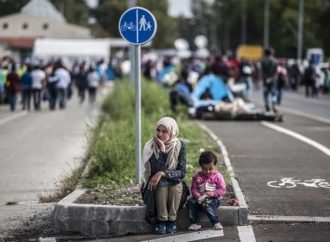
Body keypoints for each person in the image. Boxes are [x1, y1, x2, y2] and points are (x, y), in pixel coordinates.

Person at [142, 117, 186, 234]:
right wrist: (162, 150)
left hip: (173, 184)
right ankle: (161, 220)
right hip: (153, 188)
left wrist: (163, 173)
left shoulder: (180, 146)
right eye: (158, 130)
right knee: (161, 183)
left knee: (175, 184)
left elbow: (181, 173)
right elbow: (154, 172)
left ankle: (171, 220)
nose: (160, 134)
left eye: (164, 131)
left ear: (172, 132)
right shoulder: (151, 146)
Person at [187, 151, 226, 231]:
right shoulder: (197, 176)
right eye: (204, 169)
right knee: (190, 202)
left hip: (213, 199)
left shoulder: (218, 176)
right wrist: (198, 197)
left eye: (210, 169)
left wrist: (212, 193)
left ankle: (215, 222)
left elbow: (222, 189)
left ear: (215, 165)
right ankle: (195, 223)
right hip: (200, 199)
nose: (208, 171)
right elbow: (194, 188)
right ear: (201, 167)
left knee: (206, 202)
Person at [261, 48, 278, 112]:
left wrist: (266, 79)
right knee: (274, 94)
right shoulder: (275, 61)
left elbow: (262, 72)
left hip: (265, 80)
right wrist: (271, 78)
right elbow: (276, 72)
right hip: (273, 80)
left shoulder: (263, 61)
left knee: (265, 94)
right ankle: (274, 105)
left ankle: (267, 105)